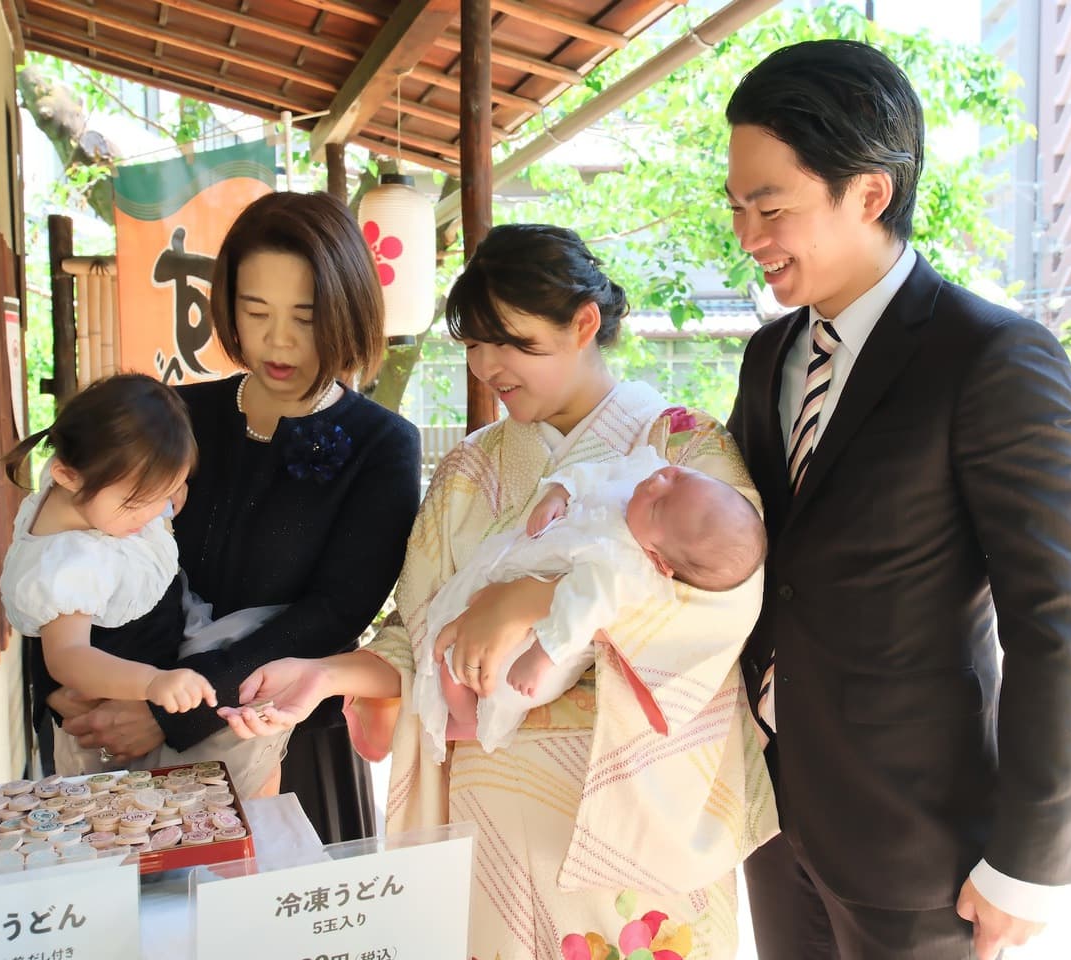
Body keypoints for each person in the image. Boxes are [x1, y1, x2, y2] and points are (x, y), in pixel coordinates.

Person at [217, 224, 778, 960]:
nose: (487, 367)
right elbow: (413, 638)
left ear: (583, 324)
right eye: (474, 345)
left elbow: (727, 596)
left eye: (511, 344)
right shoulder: (468, 470)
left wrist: (532, 599)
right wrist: (322, 676)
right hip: (489, 827)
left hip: (626, 830)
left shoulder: (684, 451)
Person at [724, 39, 1071, 960]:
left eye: (770, 206)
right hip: (770, 814)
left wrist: (1031, 862)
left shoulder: (991, 358)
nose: (746, 235)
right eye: (735, 206)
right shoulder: (769, 355)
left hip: (919, 839)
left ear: (870, 193)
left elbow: (1054, 620)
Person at [48, 191, 422, 841]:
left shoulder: (381, 444)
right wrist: (66, 681)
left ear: (346, 312)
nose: (278, 341)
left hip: (278, 734)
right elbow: (74, 539)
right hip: (114, 718)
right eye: (256, 311)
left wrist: (174, 716)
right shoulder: (175, 414)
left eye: (305, 317)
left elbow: (332, 614)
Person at [0, 374, 292, 796]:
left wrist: (166, 491)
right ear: (67, 476)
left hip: (161, 644)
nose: (154, 512)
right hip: (113, 706)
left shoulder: (90, 478)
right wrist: (152, 685)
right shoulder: (69, 567)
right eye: (139, 503)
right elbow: (68, 658)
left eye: (166, 491)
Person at [417, 443, 767, 757]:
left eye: (659, 506)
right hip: (519, 573)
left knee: (478, 678)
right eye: (677, 476)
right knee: (452, 630)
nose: (656, 484)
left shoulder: (624, 566)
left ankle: (468, 722)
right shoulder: (638, 480)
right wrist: (559, 494)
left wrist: (543, 656)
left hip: (544, 640)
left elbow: (581, 611)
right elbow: (597, 472)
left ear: (658, 559)